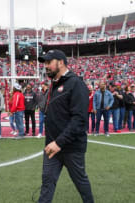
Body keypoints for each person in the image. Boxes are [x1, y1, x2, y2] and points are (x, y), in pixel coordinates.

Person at [37, 49, 94, 203]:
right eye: (45, 63)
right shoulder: (54, 84)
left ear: (60, 62)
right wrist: (53, 142)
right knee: (47, 183)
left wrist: (59, 143)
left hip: (71, 147)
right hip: (52, 145)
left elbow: (80, 120)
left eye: (49, 62)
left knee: (81, 183)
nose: (46, 66)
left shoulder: (76, 84)